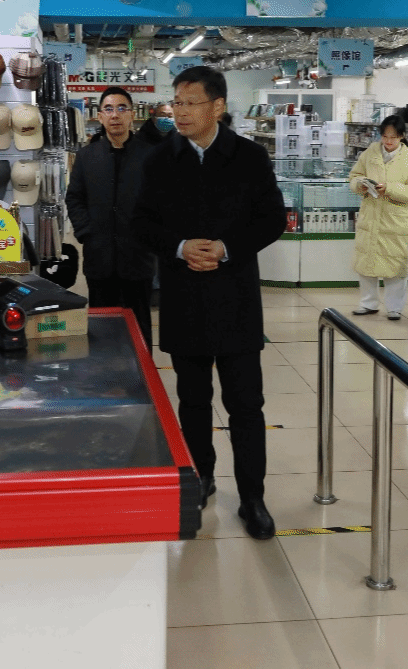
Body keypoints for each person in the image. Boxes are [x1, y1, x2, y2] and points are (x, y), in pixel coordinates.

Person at [132, 66, 287, 539]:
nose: (179, 112)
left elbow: (272, 219)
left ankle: (253, 497)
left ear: (217, 107)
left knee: (246, 404)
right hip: (184, 297)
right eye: (175, 102)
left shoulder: (249, 157)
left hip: (235, 298)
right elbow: (141, 222)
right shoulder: (159, 160)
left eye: (190, 103)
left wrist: (227, 248)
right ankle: (201, 477)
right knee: (193, 399)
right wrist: (179, 247)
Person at [66, 86, 156, 347]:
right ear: (100, 116)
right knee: (102, 325)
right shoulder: (87, 156)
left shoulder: (150, 155)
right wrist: (87, 233)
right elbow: (74, 198)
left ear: (132, 115)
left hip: (138, 258)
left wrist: (149, 237)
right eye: (108, 109)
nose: (115, 114)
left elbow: (161, 202)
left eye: (121, 108)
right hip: (99, 257)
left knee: (138, 325)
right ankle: (103, 371)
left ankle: (141, 371)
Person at [348, 114, 408, 320]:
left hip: (395, 221)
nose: (388, 141)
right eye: (385, 137)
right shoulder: (370, 153)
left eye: (393, 137)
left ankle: (394, 308)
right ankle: (368, 303)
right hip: (371, 218)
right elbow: (353, 177)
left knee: (395, 267)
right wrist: (360, 184)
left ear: (401, 136)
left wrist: (389, 188)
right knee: (366, 263)